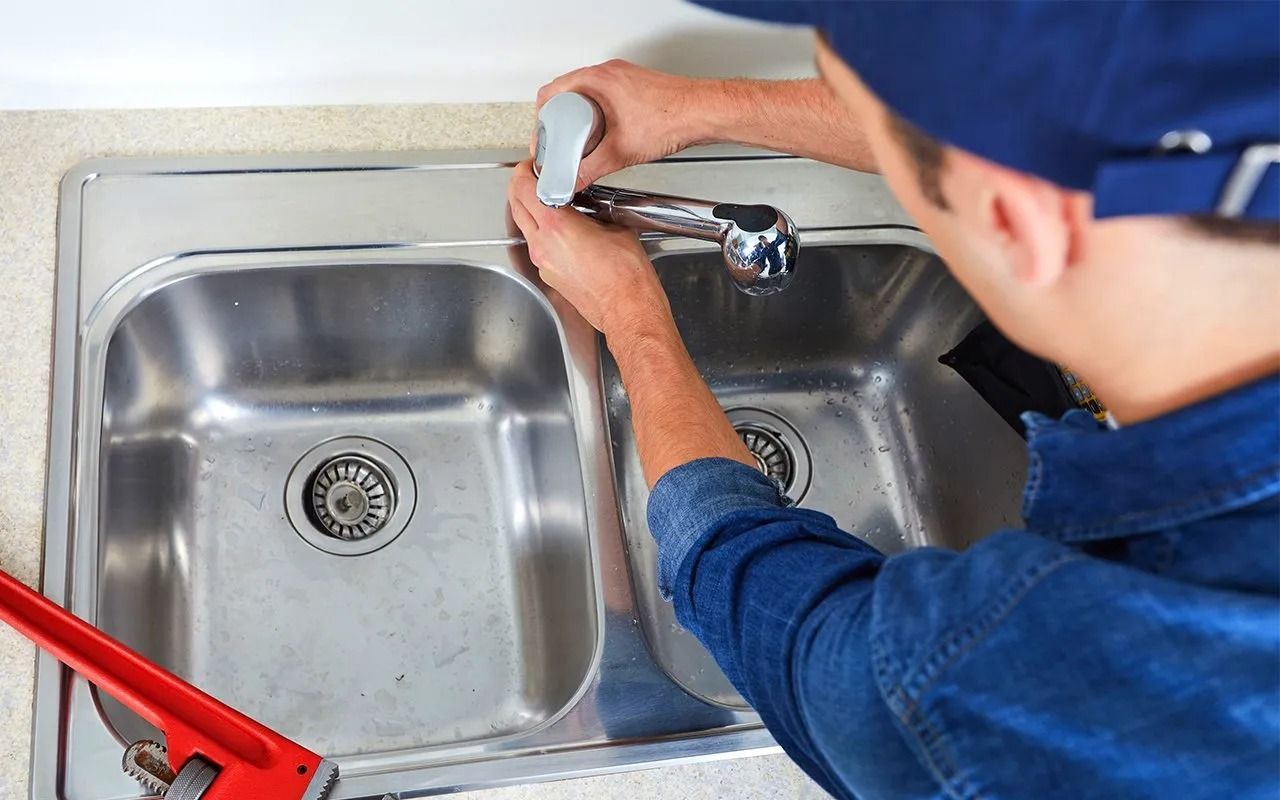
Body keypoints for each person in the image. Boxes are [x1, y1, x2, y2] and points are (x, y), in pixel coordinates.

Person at [506, 3, 1279, 798]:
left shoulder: (1021, 686)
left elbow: (761, 591)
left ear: (1017, 221)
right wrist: (698, 108)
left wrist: (634, 317)